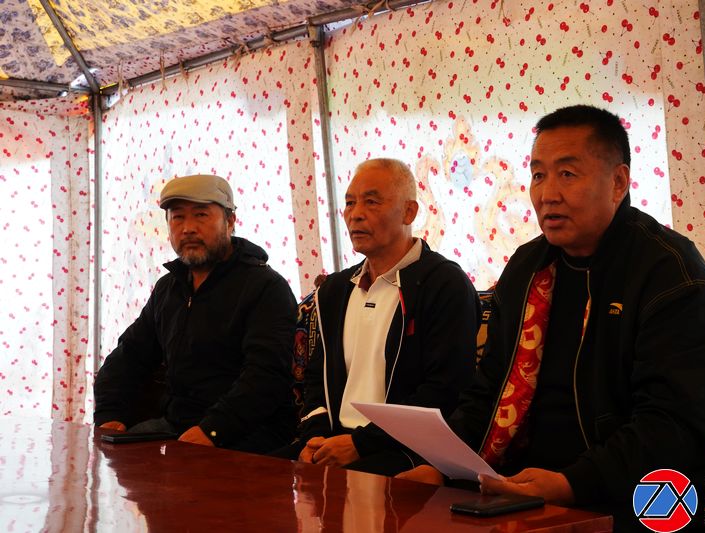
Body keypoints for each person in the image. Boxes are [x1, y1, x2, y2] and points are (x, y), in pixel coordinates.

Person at [399, 105, 705, 518]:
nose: (547, 194)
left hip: (642, 498)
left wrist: (571, 484)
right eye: (538, 175)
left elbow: (676, 428)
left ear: (618, 182)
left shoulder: (676, 281)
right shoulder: (527, 269)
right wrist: (440, 468)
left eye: (567, 174)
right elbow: (488, 392)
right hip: (520, 484)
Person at [282, 158, 479, 476]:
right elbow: (317, 378)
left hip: (403, 450)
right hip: (333, 442)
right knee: (249, 478)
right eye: (350, 202)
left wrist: (360, 444)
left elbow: (445, 390)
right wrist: (314, 438)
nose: (356, 214)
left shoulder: (443, 284)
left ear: (409, 212)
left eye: (371, 202)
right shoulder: (335, 289)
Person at [94, 174, 298, 452]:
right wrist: (109, 414)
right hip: (176, 427)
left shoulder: (266, 287)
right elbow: (129, 355)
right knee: (97, 460)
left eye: (201, 215)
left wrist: (213, 430)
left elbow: (267, 375)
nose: (188, 228)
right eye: (178, 217)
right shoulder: (168, 288)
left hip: (248, 434)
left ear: (230, 221)